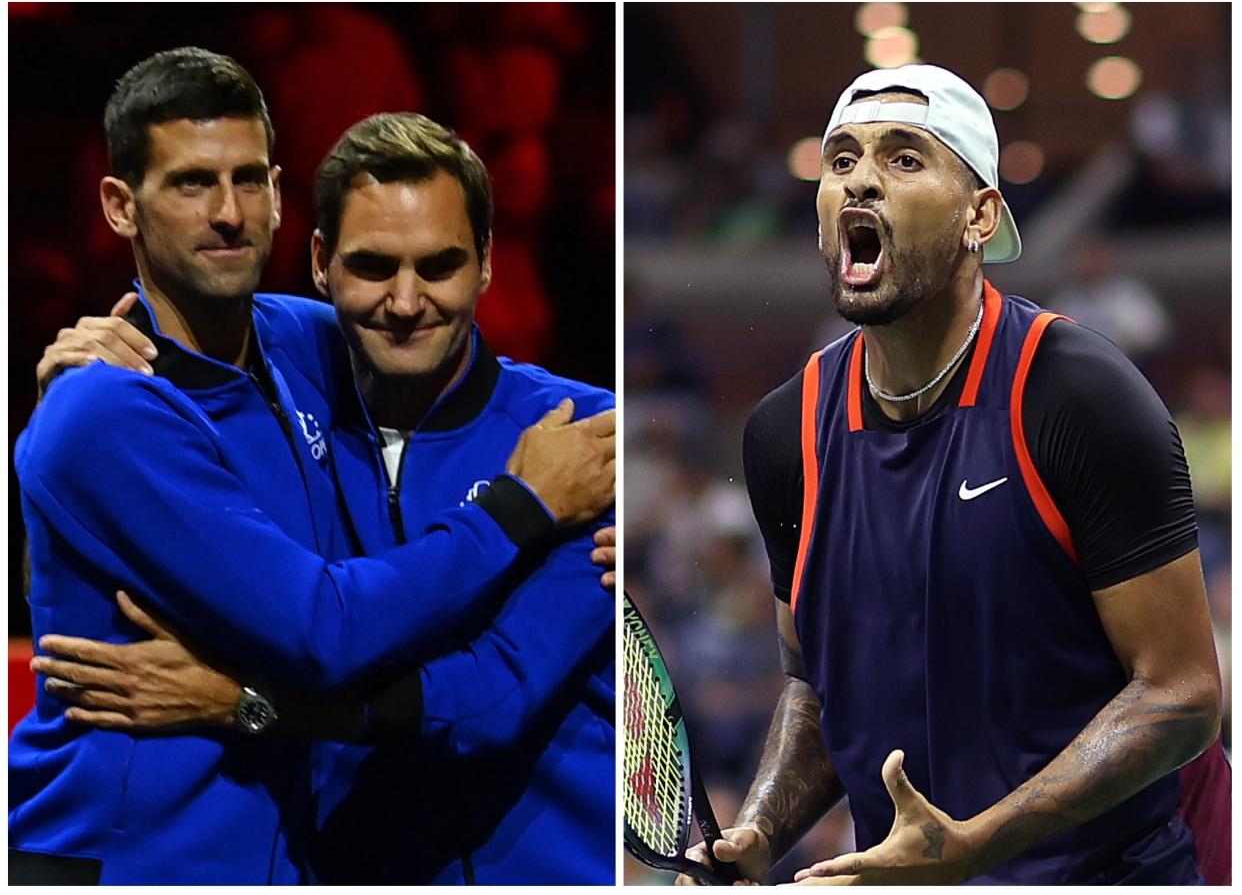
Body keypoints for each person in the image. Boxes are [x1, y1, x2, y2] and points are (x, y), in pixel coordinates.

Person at [11, 48, 615, 885]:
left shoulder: (309, 347)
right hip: (121, 860)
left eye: (248, 179)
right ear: (121, 205)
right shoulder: (106, 408)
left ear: (486, 264)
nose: (403, 303)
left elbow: (493, 696)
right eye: (191, 183)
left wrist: (240, 705)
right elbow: (325, 631)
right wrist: (522, 504)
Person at [678, 64, 1228, 885]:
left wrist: (978, 844)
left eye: (904, 159)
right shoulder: (783, 433)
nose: (861, 177)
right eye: (841, 160)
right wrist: (763, 827)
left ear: (981, 214)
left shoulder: (1078, 395)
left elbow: (1181, 694)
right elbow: (815, 686)